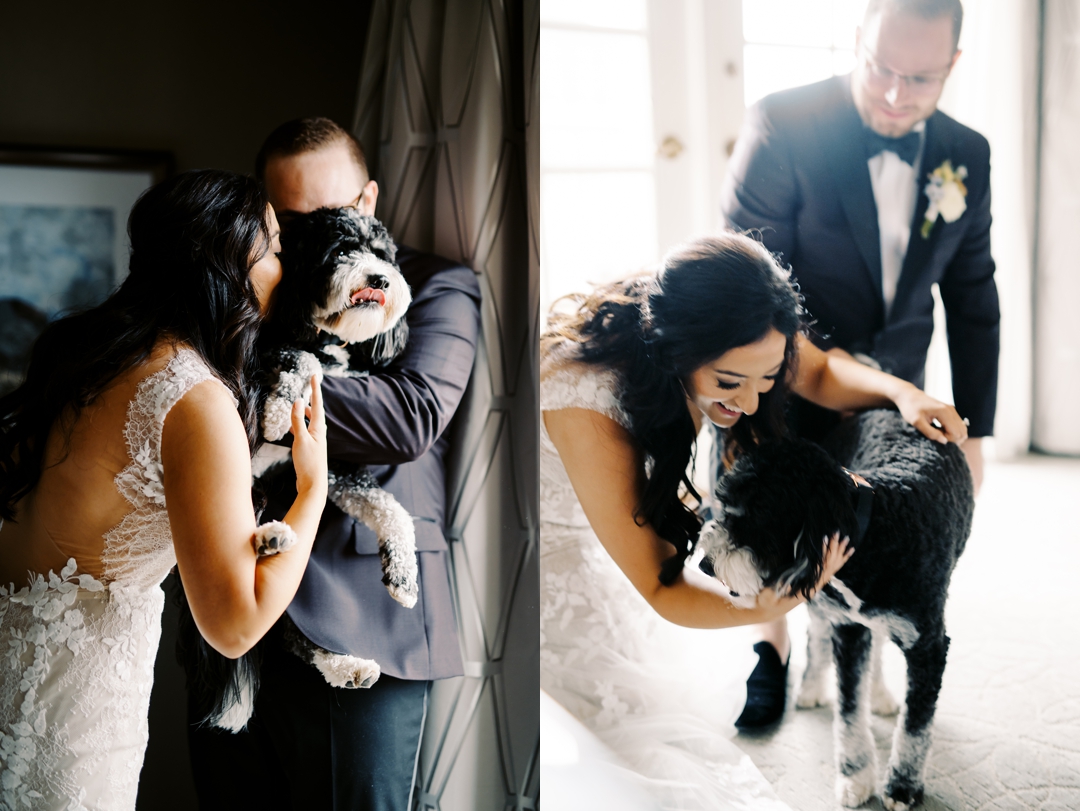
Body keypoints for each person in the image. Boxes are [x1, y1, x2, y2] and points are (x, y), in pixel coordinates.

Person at [540, 233, 968, 809]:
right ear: (674, 349)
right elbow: (662, 588)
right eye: (729, 383)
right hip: (537, 552)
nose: (749, 401)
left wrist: (903, 394)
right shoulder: (586, 400)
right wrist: (777, 602)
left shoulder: (747, 324)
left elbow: (816, 375)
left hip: (611, 536)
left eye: (766, 378)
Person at [0, 169, 328, 809]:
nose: (288, 270)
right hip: (71, 725)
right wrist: (312, 489)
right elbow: (233, 627)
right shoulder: (194, 400)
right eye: (278, 248)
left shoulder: (88, 354)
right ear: (236, 259)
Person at [185, 118, 481, 811]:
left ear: (369, 201)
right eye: (293, 223)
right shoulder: (242, 295)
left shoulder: (436, 286)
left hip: (368, 621)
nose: (316, 238)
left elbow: (409, 416)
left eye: (336, 215)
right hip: (230, 620)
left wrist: (256, 394)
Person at [719, 0, 997, 727]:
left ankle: (855, 650)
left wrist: (977, 431)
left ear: (954, 68)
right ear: (856, 40)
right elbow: (753, 289)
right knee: (767, 521)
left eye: (921, 78)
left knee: (871, 538)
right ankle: (769, 650)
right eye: (881, 68)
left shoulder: (967, 153)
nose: (897, 94)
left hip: (895, 384)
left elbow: (973, 297)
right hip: (782, 374)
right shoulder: (782, 123)